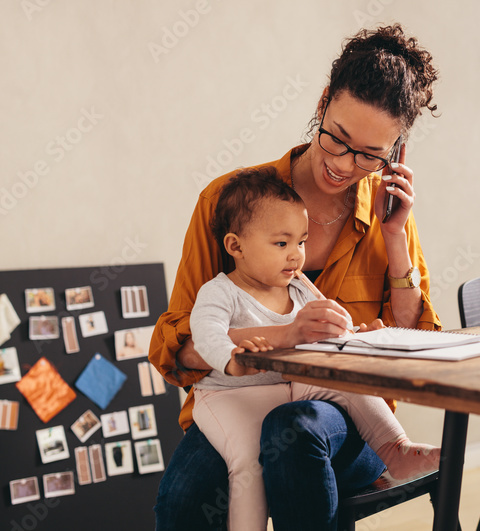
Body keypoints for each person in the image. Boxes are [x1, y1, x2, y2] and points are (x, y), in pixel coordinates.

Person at [150, 23, 440, 531]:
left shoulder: (391, 216)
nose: (344, 164)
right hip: (239, 401)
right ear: (324, 102)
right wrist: (273, 342)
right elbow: (175, 345)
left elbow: (415, 339)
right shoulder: (229, 203)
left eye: (370, 155)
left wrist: (396, 239)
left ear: (395, 152)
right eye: (338, 138)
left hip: (344, 421)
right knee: (183, 497)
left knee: (295, 431)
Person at [190, 168, 439, 531]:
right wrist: (232, 360)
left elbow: (331, 329)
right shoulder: (220, 292)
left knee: (342, 380)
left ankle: (395, 450)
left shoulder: (299, 286)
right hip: (231, 396)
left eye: (301, 242)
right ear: (235, 246)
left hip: (288, 386)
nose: (296, 256)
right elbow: (206, 335)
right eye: (281, 244)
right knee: (247, 462)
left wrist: (358, 334)